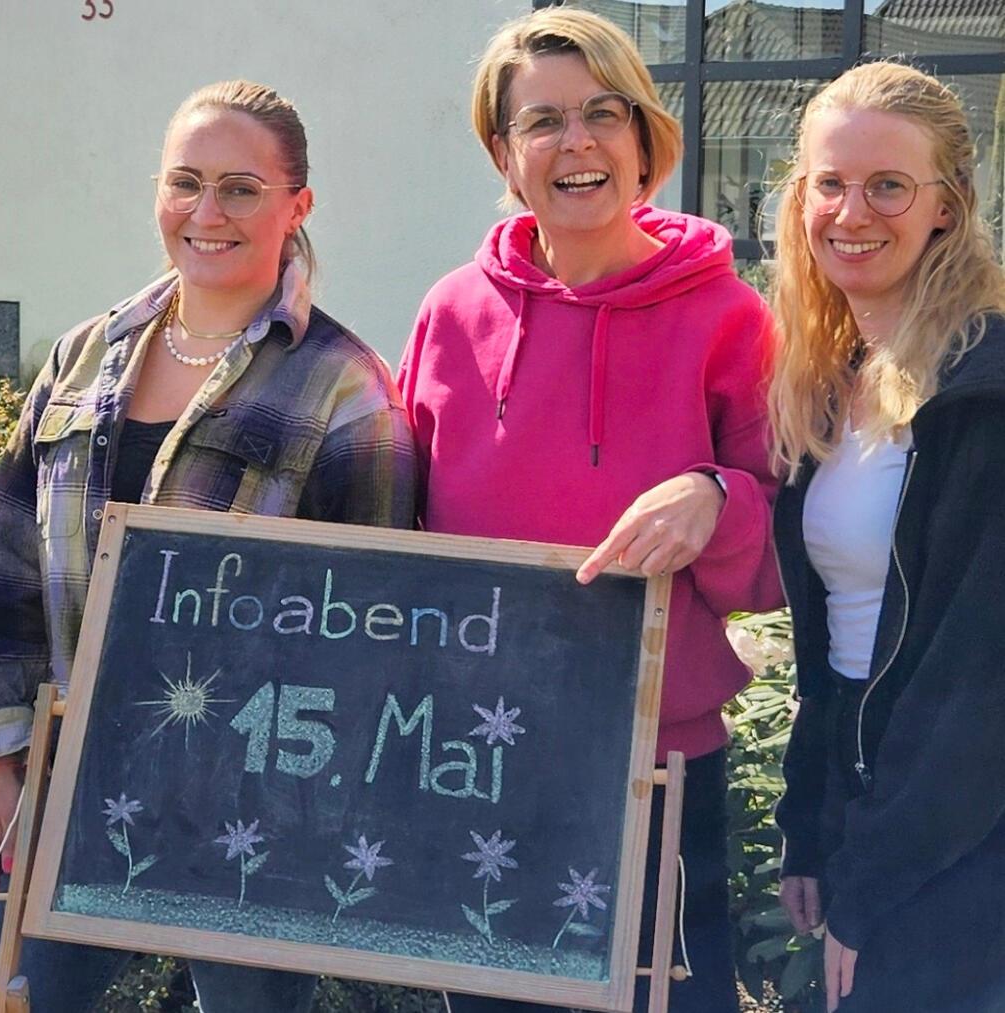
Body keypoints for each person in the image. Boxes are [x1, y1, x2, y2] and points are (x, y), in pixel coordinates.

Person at [0, 79, 415, 1012]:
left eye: (241, 188)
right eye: (185, 183)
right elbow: (3, 571)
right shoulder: (83, 356)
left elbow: (374, 636)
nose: (207, 213)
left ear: (297, 206)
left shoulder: (346, 390)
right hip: (74, 789)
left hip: (254, 819)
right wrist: (9, 764)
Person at [396, 10, 781, 1011]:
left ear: (645, 141)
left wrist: (719, 496)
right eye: (544, 122)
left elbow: (789, 544)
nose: (578, 143)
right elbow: (391, 535)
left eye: (605, 114)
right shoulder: (449, 313)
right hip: (473, 759)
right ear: (504, 154)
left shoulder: (731, 318)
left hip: (654, 763)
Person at [768, 62, 1005, 1013]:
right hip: (875, 817)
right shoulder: (840, 378)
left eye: (889, 186)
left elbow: (975, 684)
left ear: (947, 206)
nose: (851, 212)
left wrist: (873, 886)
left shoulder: (983, 394)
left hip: (962, 850)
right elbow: (837, 647)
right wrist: (812, 825)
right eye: (830, 182)